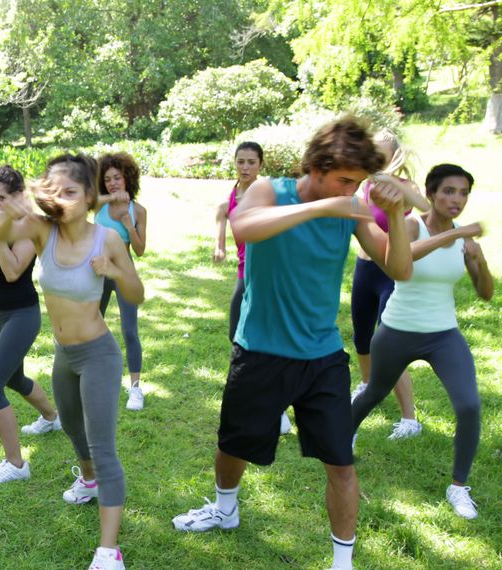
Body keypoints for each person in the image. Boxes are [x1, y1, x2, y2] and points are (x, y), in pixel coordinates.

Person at [172, 117, 413, 570]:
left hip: (322, 358)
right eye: (344, 180)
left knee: (341, 464)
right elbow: (245, 227)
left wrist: (396, 216)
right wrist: (322, 209)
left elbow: (399, 268)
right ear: (316, 166)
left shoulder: (350, 207)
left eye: (357, 183)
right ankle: (225, 509)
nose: (350, 190)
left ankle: (343, 563)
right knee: (234, 445)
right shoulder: (270, 189)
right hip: (261, 351)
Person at [0, 154, 144, 570]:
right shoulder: (44, 231)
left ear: (89, 196)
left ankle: (108, 551)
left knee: (103, 446)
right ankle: (88, 480)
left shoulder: (106, 239)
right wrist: (9, 213)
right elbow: (1, 232)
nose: (60, 198)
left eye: (70, 191)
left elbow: (137, 292)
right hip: (64, 355)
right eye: (54, 190)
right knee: (74, 431)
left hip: (99, 355)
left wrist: (112, 268)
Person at [351, 163, 492, 520]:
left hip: (443, 333)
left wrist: (479, 259)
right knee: (373, 392)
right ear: (429, 194)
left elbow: (486, 293)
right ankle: (342, 435)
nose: (456, 199)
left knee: (469, 405)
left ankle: (458, 487)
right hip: (398, 328)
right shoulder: (411, 225)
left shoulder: (464, 237)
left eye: (462, 193)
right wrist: (452, 237)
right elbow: (401, 260)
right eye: (448, 191)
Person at [0, 165, 61, 484]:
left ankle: (16, 464)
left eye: (1, 199)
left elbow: (12, 273)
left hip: (23, 314)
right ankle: (52, 417)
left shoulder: (26, 227)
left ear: (17, 199)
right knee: (13, 378)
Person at [348, 129, 431, 440]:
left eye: (380, 155)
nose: (374, 162)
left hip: (391, 275)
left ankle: (410, 418)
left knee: (388, 345)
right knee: (362, 338)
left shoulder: (403, 188)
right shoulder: (365, 187)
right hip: (364, 270)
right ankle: (368, 384)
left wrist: (391, 180)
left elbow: (425, 207)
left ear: (394, 156)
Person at [211, 142, 291, 434]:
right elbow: (223, 214)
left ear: (260, 165)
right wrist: (219, 246)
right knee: (237, 334)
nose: (245, 167)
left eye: (251, 162)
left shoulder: (266, 193)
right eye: (241, 161)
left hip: (266, 275)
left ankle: (278, 407)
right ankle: (258, 396)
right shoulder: (235, 192)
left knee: (264, 338)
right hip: (245, 272)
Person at [94, 152, 147, 411]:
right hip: (98, 272)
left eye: (117, 178)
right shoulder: (99, 205)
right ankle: (92, 378)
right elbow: (81, 202)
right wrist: (110, 198)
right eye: (107, 179)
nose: (113, 183)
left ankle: (135, 388)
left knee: (129, 330)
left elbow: (139, 250)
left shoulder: (139, 210)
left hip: (124, 271)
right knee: (92, 323)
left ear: (128, 178)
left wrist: (129, 223)